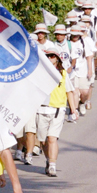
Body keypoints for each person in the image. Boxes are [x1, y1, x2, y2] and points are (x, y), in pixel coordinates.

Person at [37, 46, 76, 177]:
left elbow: (69, 92)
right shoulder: (40, 73)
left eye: (52, 56)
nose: (50, 58)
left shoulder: (63, 74)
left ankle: (53, 165)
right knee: (43, 141)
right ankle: (48, 160)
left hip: (58, 109)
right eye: (48, 56)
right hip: (41, 108)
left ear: (57, 58)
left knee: (52, 138)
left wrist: (73, 110)